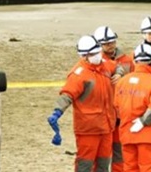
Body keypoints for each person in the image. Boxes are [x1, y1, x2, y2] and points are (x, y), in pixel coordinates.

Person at [47, 35, 117, 172]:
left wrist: (119, 74)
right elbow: (67, 94)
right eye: (93, 54)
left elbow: (118, 68)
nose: (97, 56)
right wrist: (57, 111)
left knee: (103, 163)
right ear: (84, 56)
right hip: (88, 130)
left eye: (98, 52)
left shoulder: (104, 65)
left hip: (106, 127)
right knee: (85, 164)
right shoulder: (78, 75)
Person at [114, 43, 151, 172]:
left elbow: (117, 106)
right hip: (149, 136)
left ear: (135, 60)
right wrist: (143, 121)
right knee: (149, 168)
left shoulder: (122, 82)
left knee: (129, 168)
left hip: (127, 134)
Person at [93, 25, 135, 172]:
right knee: (100, 155)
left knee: (119, 154)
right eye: (105, 44)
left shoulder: (127, 60)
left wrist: (124, 77)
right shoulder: (96, 62)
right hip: (102, 115)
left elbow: (135, 81)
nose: (109, 46)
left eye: (111, 42)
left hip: (120, 115)